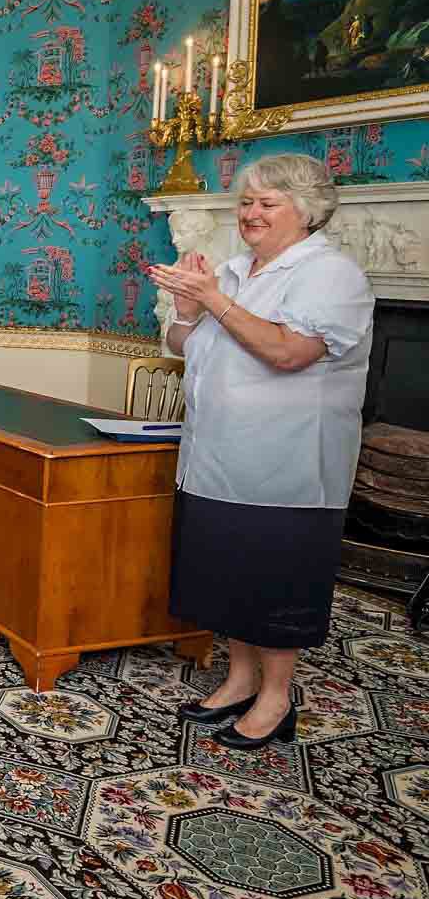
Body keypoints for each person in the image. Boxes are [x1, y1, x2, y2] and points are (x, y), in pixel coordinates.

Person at [148, 153, 373, 751]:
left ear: (307, 212)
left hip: (288, 463)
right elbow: (184, 344)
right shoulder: (237, 268)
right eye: (245, 202)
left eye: (266, 204)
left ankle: (276, 698)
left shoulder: (330, 275)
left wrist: (214, 301)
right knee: (227, 574)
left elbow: (290, 352)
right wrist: (189, 308)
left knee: (274, 582)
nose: (250, 213)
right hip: (216, 454)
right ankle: (240, 678)